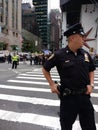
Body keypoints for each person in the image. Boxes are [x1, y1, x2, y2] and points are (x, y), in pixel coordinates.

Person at [42, 23, 96, 130]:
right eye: (81, 37)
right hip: (68, 98)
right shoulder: (59, 54)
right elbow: (45, 68)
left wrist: (91, 84)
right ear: (72, 38)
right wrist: (52, 84)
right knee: (66, 126)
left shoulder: (85, 54)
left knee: (90, 126)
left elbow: (91, 69)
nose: (83, 40)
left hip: (84, 97)